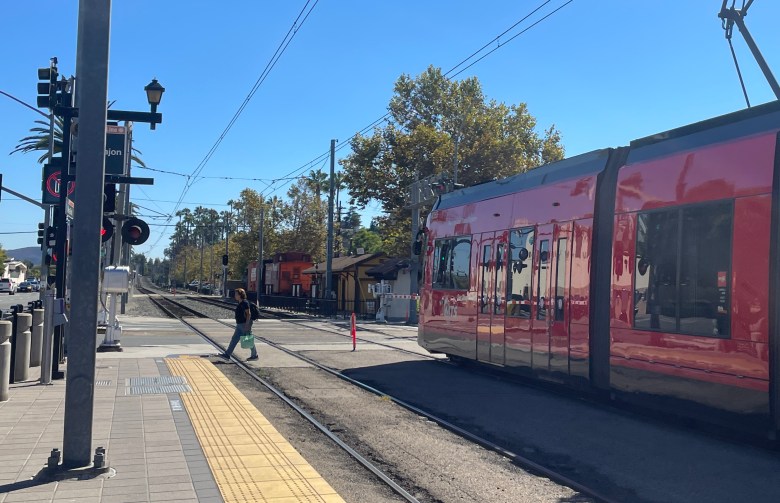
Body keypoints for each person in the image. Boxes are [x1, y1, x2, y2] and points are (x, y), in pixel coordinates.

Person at [219, 288, 258, 361]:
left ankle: (254, 355)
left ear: (240, 295)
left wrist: (247, 325)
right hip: (240, 324)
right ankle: (227, 354)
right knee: (234, 339)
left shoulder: (245, 303)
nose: (235, 295)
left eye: (236, 294)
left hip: (244, 324)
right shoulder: (240, 303)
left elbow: (248, 314)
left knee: (247, 340)